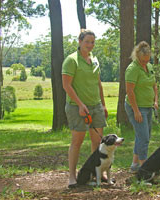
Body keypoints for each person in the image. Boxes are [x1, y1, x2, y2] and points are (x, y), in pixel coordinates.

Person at [62, 29, 108, 188]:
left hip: (96, 106)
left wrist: (103, 104)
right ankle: (72, 177)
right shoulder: (71, 60)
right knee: (77, 141)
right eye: (87, 41)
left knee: (97, 142)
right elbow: (66, 85)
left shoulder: (94, 59)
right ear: (80, 42)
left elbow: (98, 83)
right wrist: (81, 105)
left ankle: (98, 173)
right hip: (76, 107)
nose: (90, 45)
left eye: (93, 42)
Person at [124, 41, 158, 173]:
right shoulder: (132, 69)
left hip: (148, 106)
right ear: (137, 56)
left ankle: (135, 165)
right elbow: (130, 91)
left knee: (143, 136)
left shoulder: (149, 66)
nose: (145, 63)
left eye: (147, 60)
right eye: (143, 61)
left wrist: (155, 101)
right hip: (137, 108)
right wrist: (136, 110)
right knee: (144, 138)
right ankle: (145, 168)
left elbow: (154, 85)